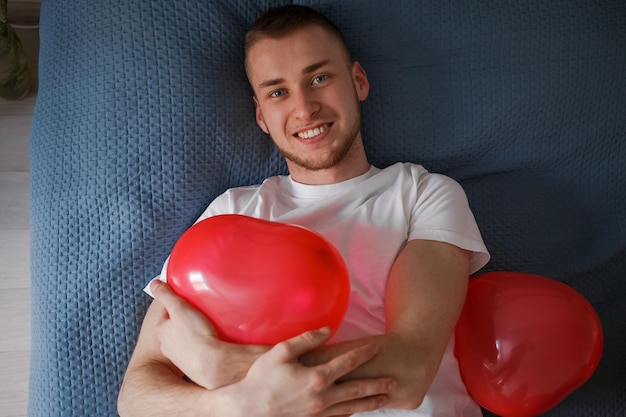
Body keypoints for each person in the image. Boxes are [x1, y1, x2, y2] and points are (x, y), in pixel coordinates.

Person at [118, 5, 490, 417]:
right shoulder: (233, 212)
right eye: (278, 92)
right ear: (262, 115)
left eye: (319, 78)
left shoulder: (424, 194)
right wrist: (238, 403)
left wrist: (228, 366)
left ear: (358, 81)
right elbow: (138, 394)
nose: (305, 107)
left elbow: (410, 369)